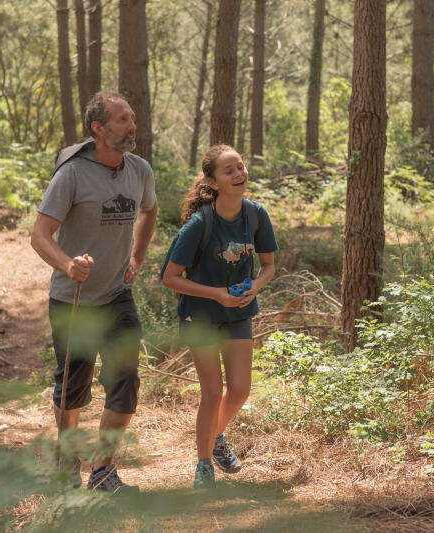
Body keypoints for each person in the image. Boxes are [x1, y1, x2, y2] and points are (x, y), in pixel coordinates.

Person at [31, 91, 157, 493]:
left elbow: (150, 210)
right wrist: (68, 264)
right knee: (72, 386)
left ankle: (103, 471)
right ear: (98, 129)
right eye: (121, 120)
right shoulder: (71, 174)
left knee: (126, 380)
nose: (131, 125)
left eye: (132, 117)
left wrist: (137, 254)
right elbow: (39, 235)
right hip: (75, 300)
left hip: (118, 294)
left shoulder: (139, 170)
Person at [161, 144, 277, 488]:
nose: (239, 174)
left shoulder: (256, 215)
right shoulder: (200, 223)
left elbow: (269, 266)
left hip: (239, 312)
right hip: (202, 316)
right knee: (212, 392)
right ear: (213, 182)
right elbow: (170, 278)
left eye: (240, 167)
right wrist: (218, 295)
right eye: (229, 171)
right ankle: (203, 466)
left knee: (239, 390)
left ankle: (216, 438)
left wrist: (254, 286)